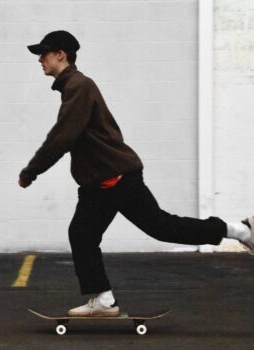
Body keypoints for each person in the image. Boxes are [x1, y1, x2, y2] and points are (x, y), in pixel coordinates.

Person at [18, 30, 254, 317]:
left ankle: (241, 230)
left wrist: (32, 171)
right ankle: (103, 300)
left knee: (163, 227)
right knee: (81, 234)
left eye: (44, 53)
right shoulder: (72, 86)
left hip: (116, 178)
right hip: (99, 184)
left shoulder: (79, 85)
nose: (39, 59)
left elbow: (62, 137)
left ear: (60, 55)